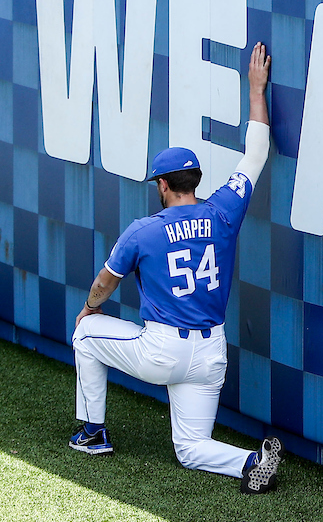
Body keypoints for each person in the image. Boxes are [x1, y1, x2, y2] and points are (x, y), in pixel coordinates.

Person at [69, 42, 282, 495]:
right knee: (190, 447)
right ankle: (250, 460)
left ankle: (92, 435)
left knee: (86, 334)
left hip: (160, 353)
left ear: (163, 185)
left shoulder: (144, 229)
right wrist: (256, 88)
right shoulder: (225, 210)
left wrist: (90, 309)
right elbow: (257, 153)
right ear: (195, 182)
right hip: (210, 355)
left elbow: (105, 282)